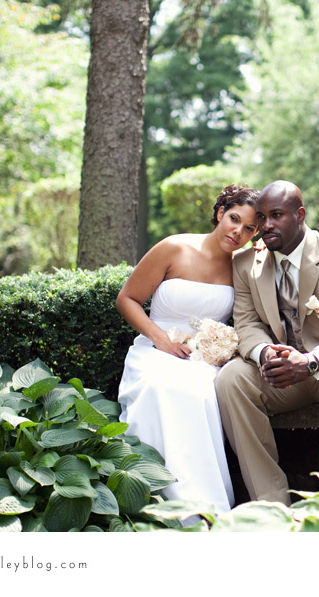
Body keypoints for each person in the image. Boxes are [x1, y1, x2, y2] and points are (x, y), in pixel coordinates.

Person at [215, 180, 319, 505]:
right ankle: (272, 503)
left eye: (276, 215)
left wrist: (310, 361)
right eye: (261, 218)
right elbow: (247, 324)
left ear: (300, 215)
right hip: (282, 375)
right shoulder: (245, 264)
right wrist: (266, 354)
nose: (266, 225)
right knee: (230, 379)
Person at [115, 184, 259, 514]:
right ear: (221, 213)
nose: (239, 232)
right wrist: (160, 339)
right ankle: (150, 495)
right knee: (160, 386)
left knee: (202, 394)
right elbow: (127, 299)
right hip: (154, 350)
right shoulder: (173, 248)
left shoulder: (244, 266)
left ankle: (201, 507)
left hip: (203, 360)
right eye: (234, 219)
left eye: (250, 228)